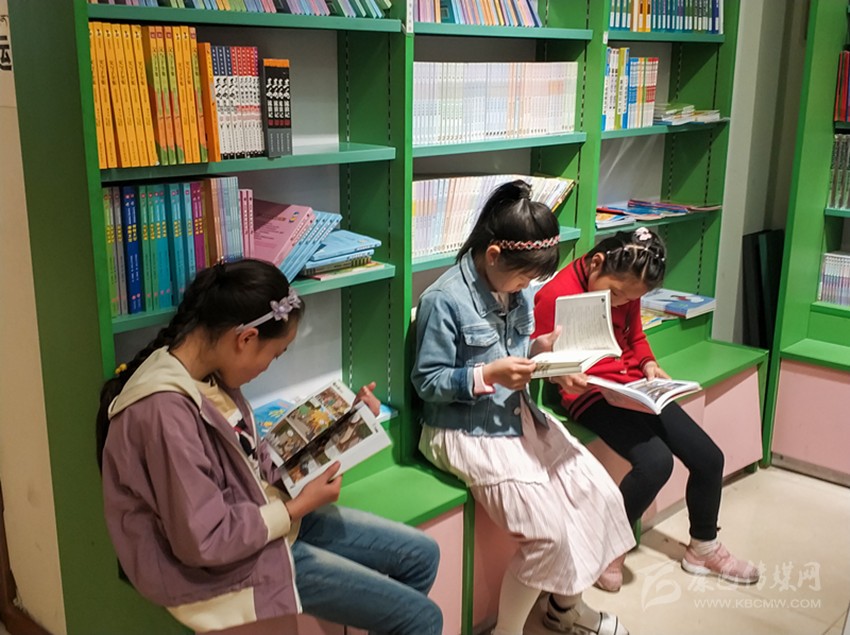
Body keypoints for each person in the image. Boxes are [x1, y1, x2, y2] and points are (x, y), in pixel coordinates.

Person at [97, 259, 442, 635]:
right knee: (423, 618)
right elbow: (204, 540)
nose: (269, 366)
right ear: (245, 339)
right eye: (275, 355)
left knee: (422, 555)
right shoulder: (165, 414)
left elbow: (250, 462)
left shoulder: (206, 374)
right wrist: (298, 507)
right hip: (226, 561)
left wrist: (349, 422)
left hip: (266, 514)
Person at [412, 181, 634, 635]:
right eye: (523, 278)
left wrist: (542, 353)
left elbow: (516, 354)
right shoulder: (443, 300)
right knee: (547, 535)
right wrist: (488, 375)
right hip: (463, 430)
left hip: (517, 416)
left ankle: (564, 610)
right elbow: (428, 383)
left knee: (600, 496)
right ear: (493, 255)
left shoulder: (516, 289)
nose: (527, 287)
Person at [532, 227, 760, 593]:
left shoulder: (628, 284)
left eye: (631, 298)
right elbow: (540, 356)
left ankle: (703, 548)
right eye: (616, 294)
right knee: (655, 463)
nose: (621, 302)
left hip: (633, 385)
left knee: (709, 458)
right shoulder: (555, 294)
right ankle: (610, 547)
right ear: (596, 262)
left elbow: (635, 337)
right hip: (587, 392)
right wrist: (562, 376)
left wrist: (649, 364)